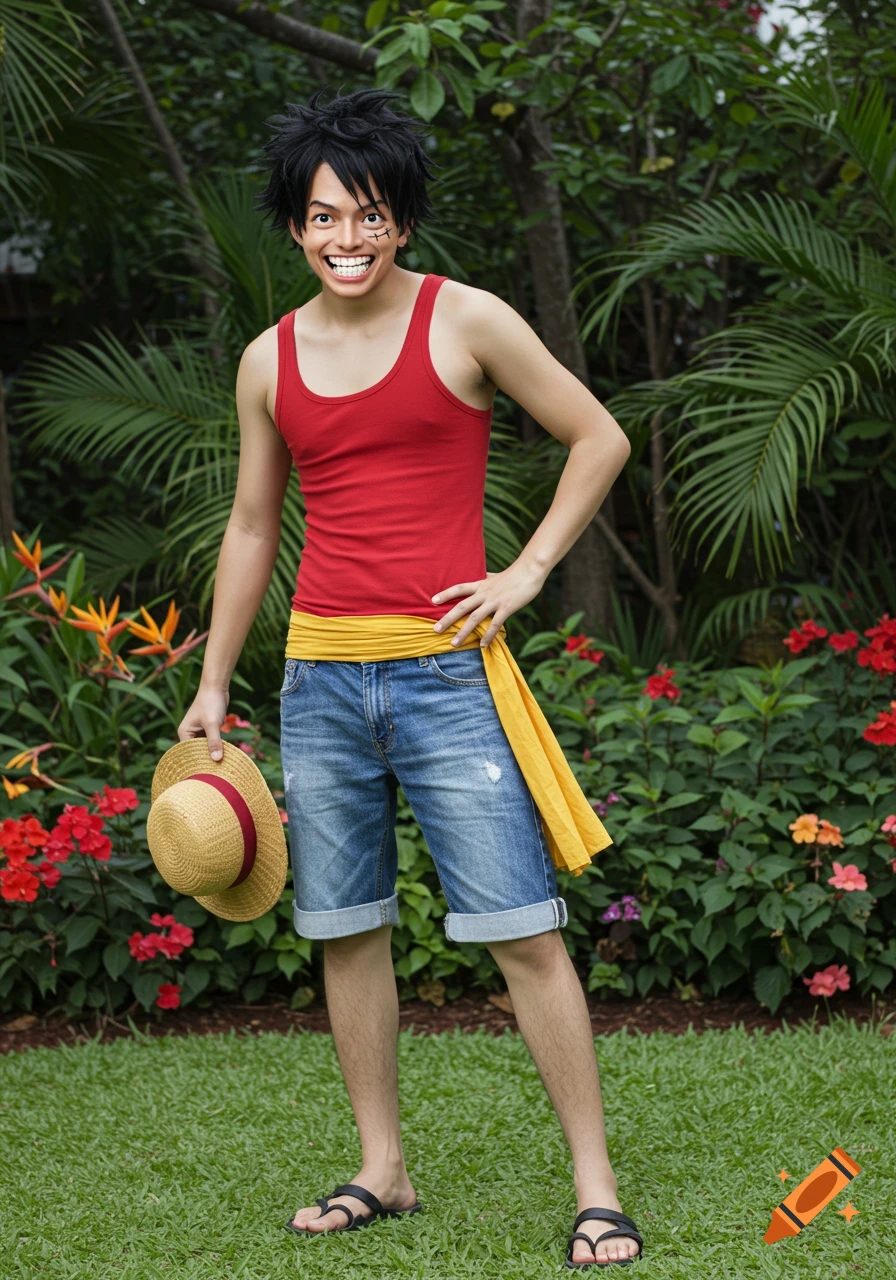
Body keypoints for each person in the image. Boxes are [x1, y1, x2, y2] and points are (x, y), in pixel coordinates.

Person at [177, 86, 641, 1269]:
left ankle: (596, 1185)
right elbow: (248, 526)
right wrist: (216, 680)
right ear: (295, 224)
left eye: (369, 216)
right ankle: (381, 1168)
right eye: (325, 216)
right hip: (321, 680)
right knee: (346, 927)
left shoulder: (465, 321)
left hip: (447, 672)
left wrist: (527, 571)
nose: (346, 238)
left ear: (402, 224)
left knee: (523, 928)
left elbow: (598, 436)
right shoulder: (265, 360)